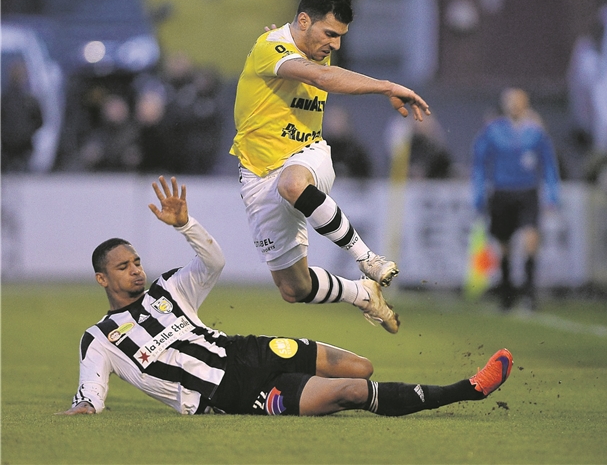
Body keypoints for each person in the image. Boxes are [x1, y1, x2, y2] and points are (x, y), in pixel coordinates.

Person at [58, 176, 513, 417]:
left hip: (247, 349)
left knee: (361, 366)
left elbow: (213, 262)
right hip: (232, 390)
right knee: (354, 390)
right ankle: (467, 390)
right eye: (124, 266)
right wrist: (79, 410)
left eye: (136, 261)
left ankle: (324, 393)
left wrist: (185, 225)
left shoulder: (168, 288)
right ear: (102, 279)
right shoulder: (100, 338)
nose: (136, 270)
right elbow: (90, 396)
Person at [230, 0, 430, 333]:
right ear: (304, 21)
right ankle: (361, 294)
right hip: (257, 174)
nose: (335, 44)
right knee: (294, 288)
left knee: (291, 183)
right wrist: (387, 85)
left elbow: (320, 72)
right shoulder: (271, 47)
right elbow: (321, 76)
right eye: (330, 33)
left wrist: (384, 86)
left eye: (340, 37)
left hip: (307, 154)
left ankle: (367, 259)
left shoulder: (311, 45)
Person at [471, 88, 561, 311]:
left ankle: (530, 294)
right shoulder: (493, 131)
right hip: (502, 192)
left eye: (518, 102)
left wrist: (552, 194)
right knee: (504, 245)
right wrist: (479, 193)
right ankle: (507, 294)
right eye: (510, 102)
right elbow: (480, 162)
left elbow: (549, 164)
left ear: (526, 104)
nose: (514, 106)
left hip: (527, 191)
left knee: (531, 239)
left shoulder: (536, 132)